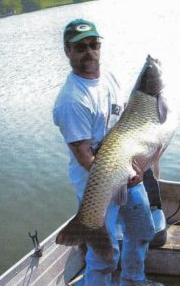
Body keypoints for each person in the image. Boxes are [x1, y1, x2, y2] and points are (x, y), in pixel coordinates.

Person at [53, 18, 164, 286]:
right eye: (80, 47)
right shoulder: (71, 100)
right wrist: (121, 174)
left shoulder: (110, 79)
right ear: (68, 51)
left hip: (127, 174)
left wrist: (135, 168)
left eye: (93, 45)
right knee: (105, 256)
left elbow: (126, 124)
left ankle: (134, 280)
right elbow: (84, 158)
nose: (89, 52)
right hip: (98, 184)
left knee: (142, 231)